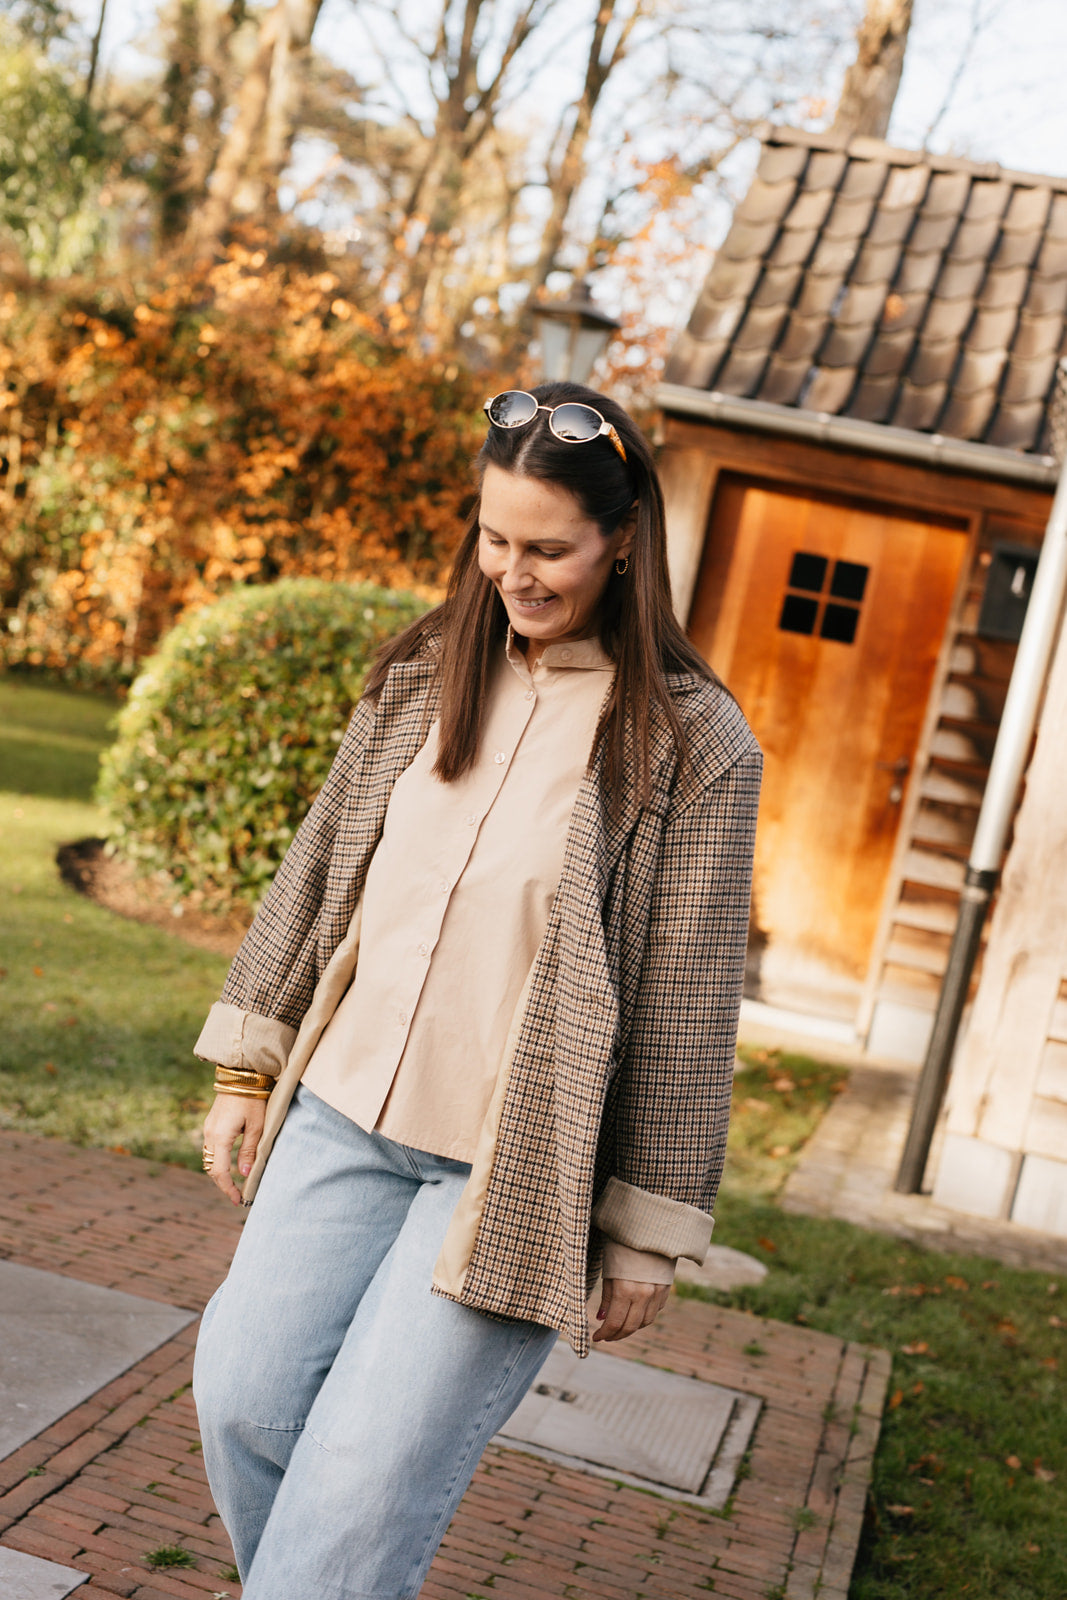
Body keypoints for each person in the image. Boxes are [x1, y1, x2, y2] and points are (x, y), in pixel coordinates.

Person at [192, 381, 761, 1600]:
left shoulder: (692, 743)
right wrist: (250, 1063)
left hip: (506, 1173)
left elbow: (686, 1003)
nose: (513, 570)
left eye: (548, 547)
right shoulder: (420, 673)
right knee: (241, 1399)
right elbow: (321, 864)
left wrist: (646, 1231)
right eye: (494, 538)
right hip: (341, 1118)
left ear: (621, 542)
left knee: (357, 1490)